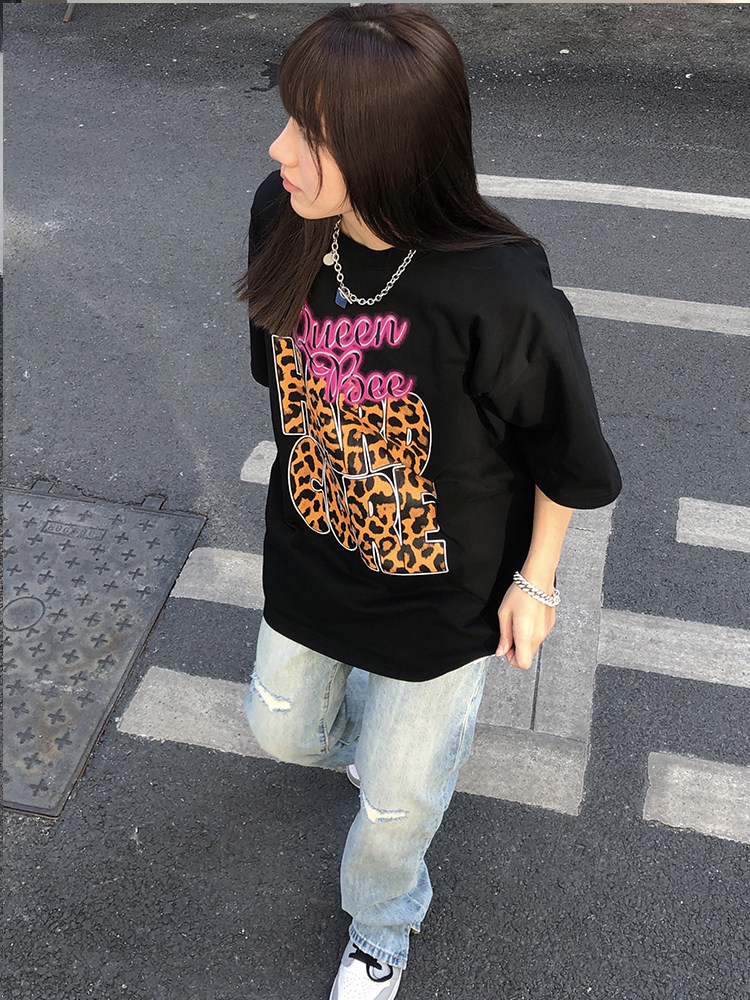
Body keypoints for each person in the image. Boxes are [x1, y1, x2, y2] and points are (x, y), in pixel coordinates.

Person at [235, 5, 621, 998]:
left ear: (390, 149)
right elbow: (283, 385)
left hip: (441, 594)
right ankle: (390, 741)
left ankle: (382, 922)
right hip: (313, 550)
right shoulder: (285, 216)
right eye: (290, 118)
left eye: (312, 134)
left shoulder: (498, 290)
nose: (279, 148)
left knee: (397, 805)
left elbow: (566, 456)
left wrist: (537, 584)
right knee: (281, 731)